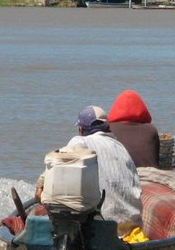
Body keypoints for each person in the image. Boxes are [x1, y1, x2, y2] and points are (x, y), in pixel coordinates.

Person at [36, 105, 143, 234]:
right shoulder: (119, 146)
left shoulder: (80, 142)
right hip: (132, 227)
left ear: (81, 129)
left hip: (104, 225)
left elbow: (58, 161)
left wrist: (40, 186)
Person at [108, 90, 160, 168]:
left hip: (119, 174)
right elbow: (156, 158)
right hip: (148, 174)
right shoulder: (151, 130)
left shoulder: (108, 129)